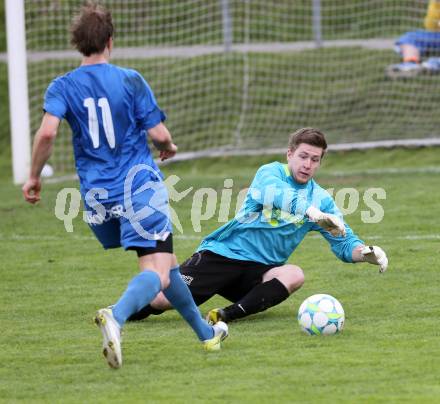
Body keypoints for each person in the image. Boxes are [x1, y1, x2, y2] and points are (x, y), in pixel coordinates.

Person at [22, 2, 227, 369]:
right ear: (110, 42)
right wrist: (168, 146)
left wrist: (35, 176)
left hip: (97, 197)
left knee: (167, 266)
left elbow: (48, 132)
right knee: (157, 272)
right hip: (138, 187)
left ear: (77, 43)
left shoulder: (62, 86)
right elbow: (158, 133)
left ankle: (206, 335)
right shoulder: (129, 79)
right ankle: (116, 316)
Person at [128, 127, 389, 324]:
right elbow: (274, 195)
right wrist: (311, 213)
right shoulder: (270, 173)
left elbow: (343, 241)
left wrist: (365, 254)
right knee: (162, 300)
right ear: (290, 154)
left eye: (315, 159)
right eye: (303, 156)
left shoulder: (321, 199)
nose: (308, 164)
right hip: (223, 256)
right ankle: (121, 312)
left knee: (294, 274)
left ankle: (226, 315)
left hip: (259, 272)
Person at [386, 0, 440, 78]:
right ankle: (410, 65)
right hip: (435, 35)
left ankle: (432, 65)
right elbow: (430, 25)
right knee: (409, 38)